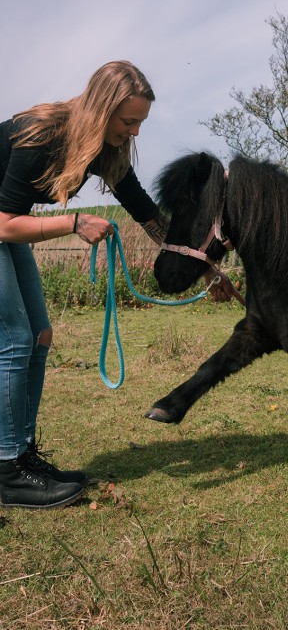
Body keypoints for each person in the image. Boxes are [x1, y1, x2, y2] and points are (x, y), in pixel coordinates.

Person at [0, 60, 171, 509]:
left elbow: (144, 210)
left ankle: (22, 456)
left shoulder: (105, 150)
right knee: (14, 339)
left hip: (5, 225)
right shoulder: (40, 134)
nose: (134, 132)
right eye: (128, 121)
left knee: (39, 334)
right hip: (2, 224)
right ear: (102, 108)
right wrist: (74, 222)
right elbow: (5, 224)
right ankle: (7, 471)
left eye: (140, 123)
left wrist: (198, 262)